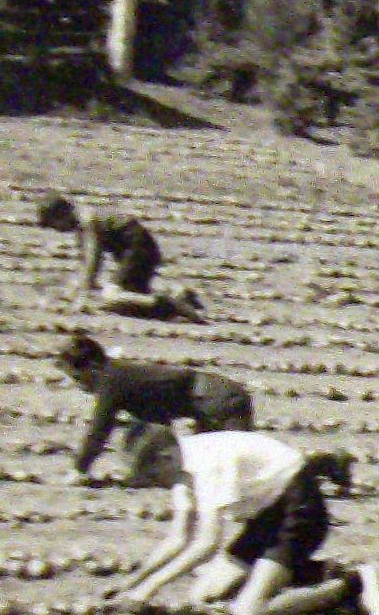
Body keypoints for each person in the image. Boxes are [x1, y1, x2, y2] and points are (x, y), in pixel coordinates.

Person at [106, 429, 379, 615]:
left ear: (165, 457)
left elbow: (206, 544)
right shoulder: (182, 469)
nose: (154, 483)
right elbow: (178, 538)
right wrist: (132, 584)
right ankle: (316, 574)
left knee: (248, 613)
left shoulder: (207, 466)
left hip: (299, 509)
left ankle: (353, 581)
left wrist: (148, 590)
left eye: (152, 474)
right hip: (266, 516)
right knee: (203, 594)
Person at [55, 333, 255, 481]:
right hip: (214, 402)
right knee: (209, 473)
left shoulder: (112, 381)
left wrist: (79, 469)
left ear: (92, 367)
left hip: (222, 402)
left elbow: (99, 430)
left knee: (239, 472)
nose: (80, 386)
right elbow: (158, 420)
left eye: (78, 378)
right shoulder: (120, 375)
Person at [36, 194, 203, 320]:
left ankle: (172, 304)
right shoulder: (83, 220)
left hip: (138, 249)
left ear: (61, 215)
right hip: (137, 250)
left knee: (111, 297)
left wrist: (82, 295)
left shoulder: (87, 221)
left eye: (54, 225)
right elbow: (86, 263)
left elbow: (93, 259)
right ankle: (177, 293)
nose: (57, 230)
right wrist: (79, 287)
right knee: (126, 303)